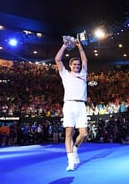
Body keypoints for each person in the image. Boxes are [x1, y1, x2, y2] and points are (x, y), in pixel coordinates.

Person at [55, 36, 88, 171]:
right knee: (69, 132)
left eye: (78, 65)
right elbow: (57, 59)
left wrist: (79, 46)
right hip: (69, 105)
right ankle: (70, 162)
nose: (77, 66)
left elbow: (85, 59)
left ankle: (75, 149)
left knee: (84, 134)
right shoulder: (65, 74)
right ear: (70, 66)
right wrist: (64, 45)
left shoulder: (84, 73)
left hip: (81, 105)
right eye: (74, 64)